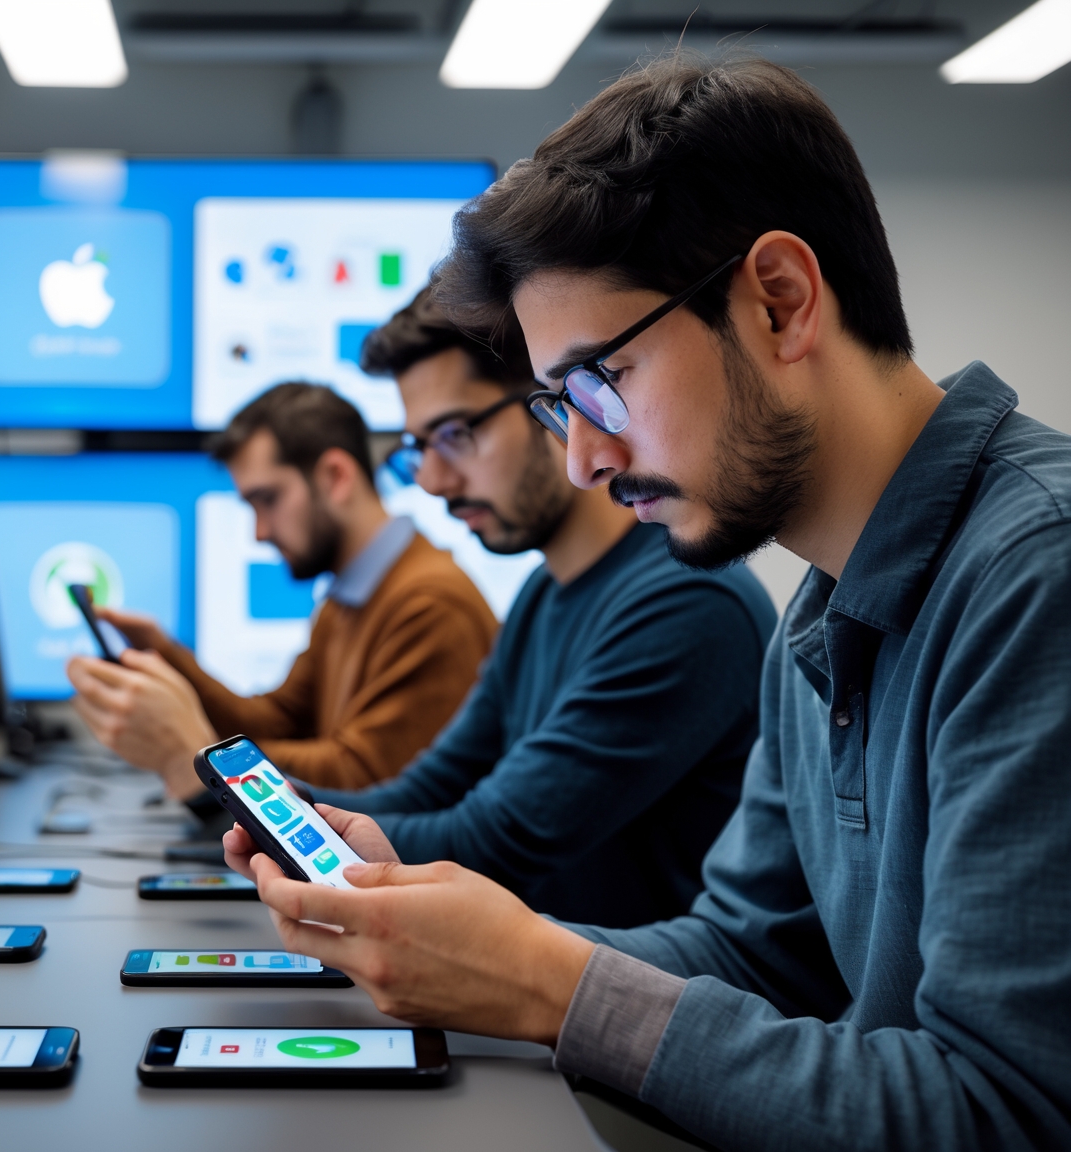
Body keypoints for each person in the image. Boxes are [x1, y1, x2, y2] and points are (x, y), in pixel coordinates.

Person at [223, 56, 1071, 1152]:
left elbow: (1006, 1115)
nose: (579, 460)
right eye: (552, 403)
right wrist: (472, 943)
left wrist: (548, 984)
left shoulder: (1037, 576)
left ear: (781, 299)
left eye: (596, 383)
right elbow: (756, 952)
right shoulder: (824, 602)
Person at [290, 288, 776, 926]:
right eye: (421, 448)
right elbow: (430, 788)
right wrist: (266, 806)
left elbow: (493, 841)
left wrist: (257, 812)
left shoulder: (689, 603)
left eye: (455, 434)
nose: (432, 481)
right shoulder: (542, 595)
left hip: (634, 1013)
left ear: (554, 407)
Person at [66, 381, 497, 794]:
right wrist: (167, 658)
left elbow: (360, 777)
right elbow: (280, 721)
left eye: (267, 499)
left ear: (336, 476)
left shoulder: (430, 604)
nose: (259, 532)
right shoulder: (354, 593)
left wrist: (189, 754)